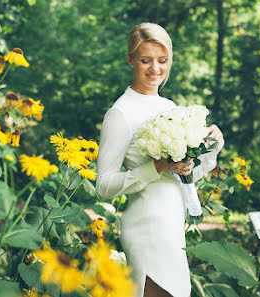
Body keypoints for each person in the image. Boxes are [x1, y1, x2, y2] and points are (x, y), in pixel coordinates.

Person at [95, 23, 224, 297]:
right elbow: (103, 185)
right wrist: (155, 167)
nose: (155, 69)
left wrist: (209, 149)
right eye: (146, 60)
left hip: (173, 225)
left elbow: (185, 176)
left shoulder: (169, 108)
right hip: (147, 227)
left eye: (162, 61)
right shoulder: (120, 113)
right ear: (130, 59)